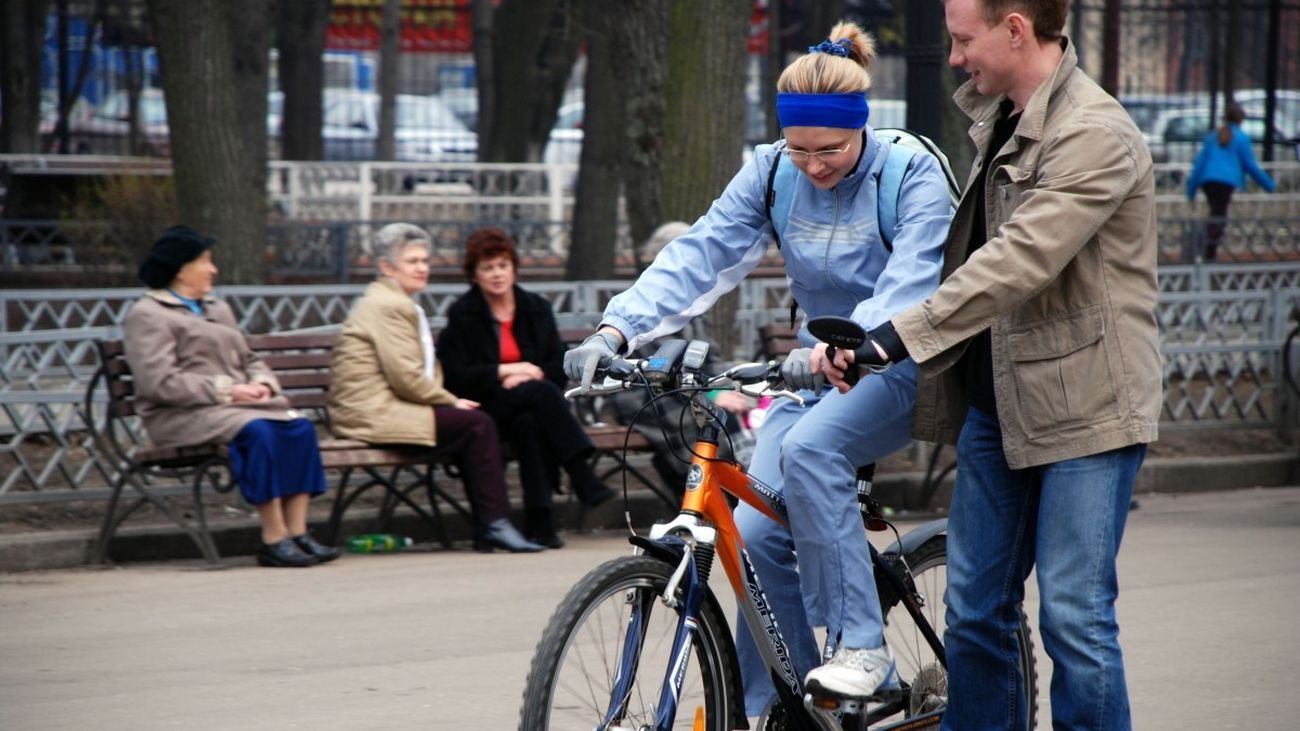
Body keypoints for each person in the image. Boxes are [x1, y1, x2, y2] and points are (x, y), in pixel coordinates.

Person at [563, 22, 954, 715]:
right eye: (799, 149)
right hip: (814, 373)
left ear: (861, 127)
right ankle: (785, 706)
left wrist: (850, 343)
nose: (813, 165)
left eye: (830, 149)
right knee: (755, 536)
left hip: (901, 361)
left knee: (811, 449)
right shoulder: (773, 171)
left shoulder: (909, 170)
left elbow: (914, 283)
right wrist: (616, 327)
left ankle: (863, 646)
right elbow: (703, 252)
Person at [821, 1, 1162, 728]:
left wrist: (897, 336)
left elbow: (1019, 258)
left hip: (1088, 409)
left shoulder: (1094, 132)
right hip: (998, 401)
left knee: (1074, 617)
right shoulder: (1004, 118)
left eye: (962, 39)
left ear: (1015, 28)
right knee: (974, 610)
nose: (953, 58)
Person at [122, 225, 339, 568]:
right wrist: (226, 389)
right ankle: (274, 538)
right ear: (180, 269)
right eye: (205, 261)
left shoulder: (217, 308)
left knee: (299, 429)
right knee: (259, 432)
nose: (214, 269)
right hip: (179, 415)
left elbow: (249, 358)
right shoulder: (148, 315)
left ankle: (299, 533)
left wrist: (263, 383)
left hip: (233, 409)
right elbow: (158, 382)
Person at [327, 223, 542, 553]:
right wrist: (450, 402)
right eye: (412, 261)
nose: (422, 268)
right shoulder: (389, 305)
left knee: (477, 425)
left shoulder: (394, 300)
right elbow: (406, 377)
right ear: (386, 267)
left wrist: (448, 402)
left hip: (383, 405)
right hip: (370, 412)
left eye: (425, 260)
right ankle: (494, 524)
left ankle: (490, 525)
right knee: (477, 424)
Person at [435, 227, 614, 549]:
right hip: (486, 409)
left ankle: (540, 522)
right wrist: (504, 372)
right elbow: (455, 376)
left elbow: (557, 366)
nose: (497, 274)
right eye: (488, 268)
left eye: (502, 265)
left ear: (514, 268)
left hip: (533, 406)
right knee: (539, 394)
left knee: (530, 422)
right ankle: (581, 475)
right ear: (474, 275)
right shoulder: (464, 313)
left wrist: (531, 374)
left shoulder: (535, 307)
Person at [1185, 103, 1277, 261]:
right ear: (1241, 120)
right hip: (1226, 182)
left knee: (1216, 212)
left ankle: (1207, 250)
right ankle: (1208, 252)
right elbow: (1251, 166)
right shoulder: (1241, 138)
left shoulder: (1212, 136)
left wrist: (1191, 190)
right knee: (1219, 215)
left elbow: (1199, 164)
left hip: (1207, 181)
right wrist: (1269, 185)